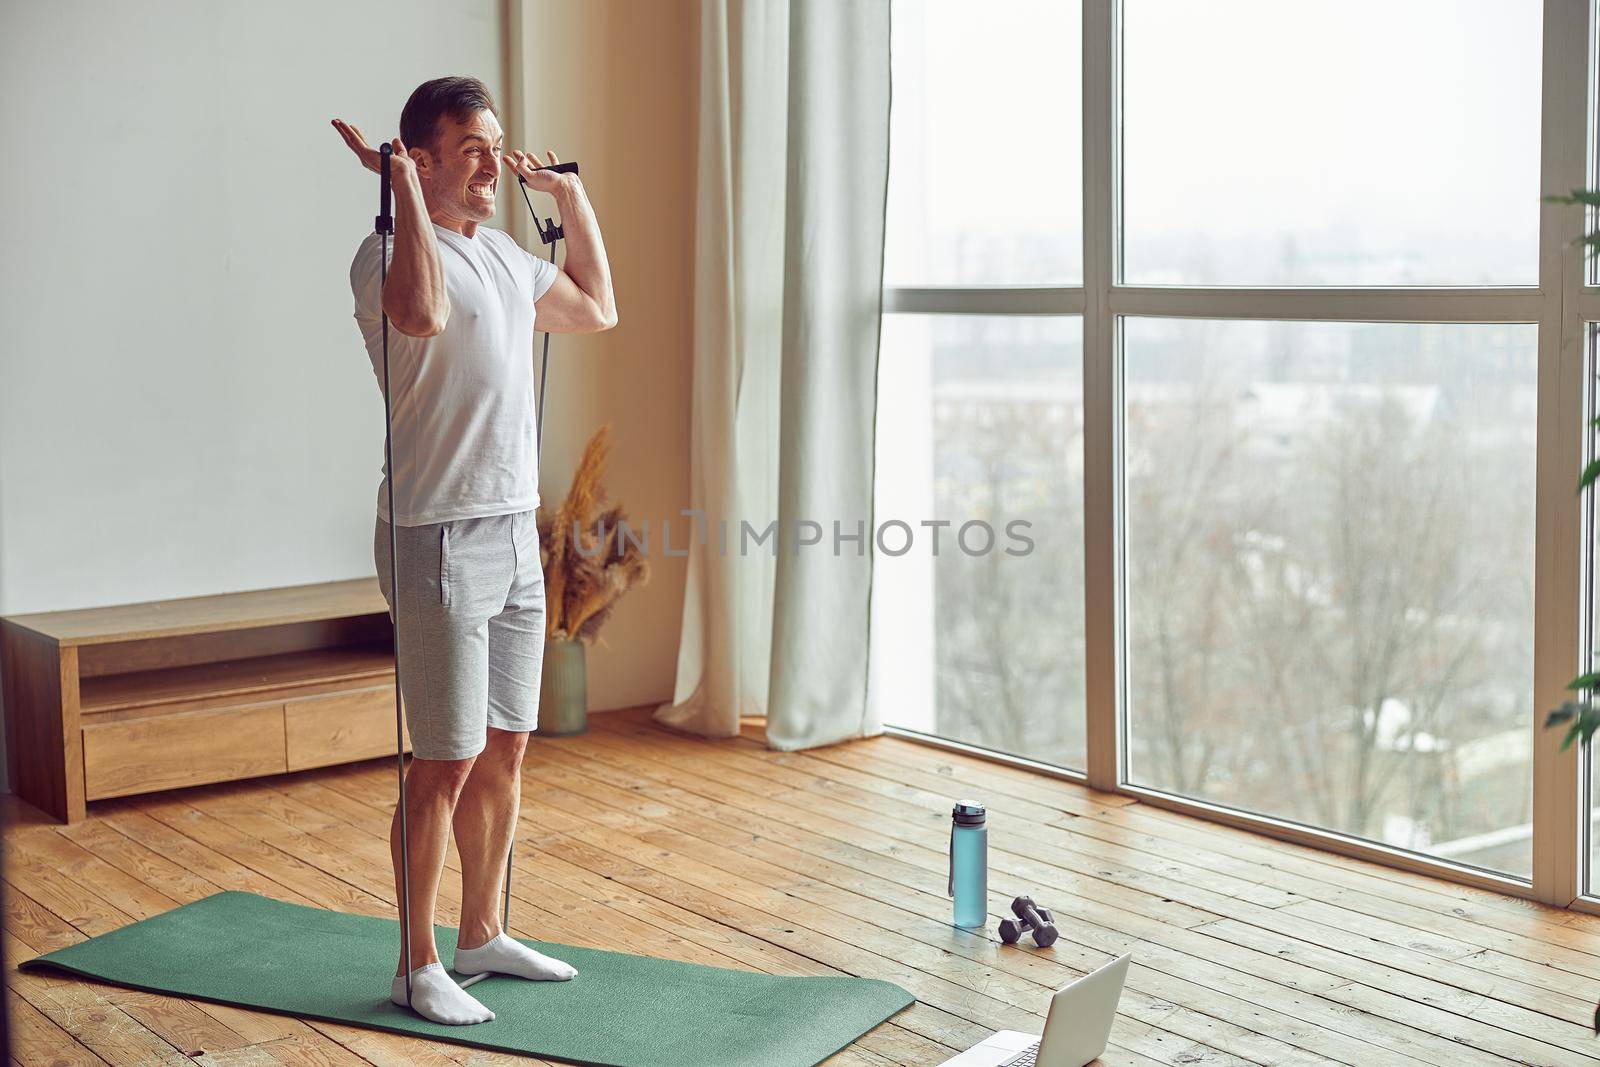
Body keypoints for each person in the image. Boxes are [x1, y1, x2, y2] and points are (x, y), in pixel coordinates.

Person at [332, 75, 617, 1026]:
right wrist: (405, 193)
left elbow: (594, 309)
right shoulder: (383, 258)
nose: (493, 162)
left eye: (497, 145)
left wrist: (570, 203)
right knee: (444, 761)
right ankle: (417, 964)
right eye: (471, 148)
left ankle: (481, 930)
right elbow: (421, 315)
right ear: (421, 157)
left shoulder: (502, 254)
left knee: (506, 747)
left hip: (512, 531)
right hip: (437, 536)